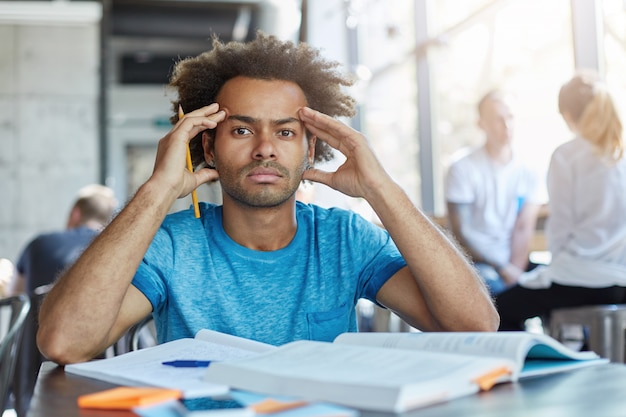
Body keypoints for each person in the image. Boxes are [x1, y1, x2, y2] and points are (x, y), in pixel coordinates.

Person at [37, 32, 498, 365]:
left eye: (285, 131)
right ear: (208, 147)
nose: (265, 148)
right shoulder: (174, 245)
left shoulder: (343, 238)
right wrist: (157, 190)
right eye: (241, 129)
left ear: (311, 147)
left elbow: (476, 327)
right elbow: (64, 342)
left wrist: (383, 190)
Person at [496, 71, 626, 331]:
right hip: (621, 283)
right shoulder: (620, 153)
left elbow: (561, 232)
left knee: (496, 311)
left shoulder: (567, 155)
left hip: (581, 281)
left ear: (567, 116)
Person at [8, 183, 117, 417]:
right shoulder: (115, 251)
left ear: (75, 214)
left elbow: (15, 296)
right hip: (105, 368)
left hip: (34, 365)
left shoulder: (38, 245)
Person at [445, 90, 542, 296]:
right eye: (498, 119)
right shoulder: (462, 168)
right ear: (481, 124)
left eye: (510, 117)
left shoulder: (529, 169)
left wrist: (514, 272)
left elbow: (524, 227)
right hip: (475, 263)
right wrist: (502, 268)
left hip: (513, 262)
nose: (506, 125)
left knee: (550, 288)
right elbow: (461, 232)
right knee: (495, 292)